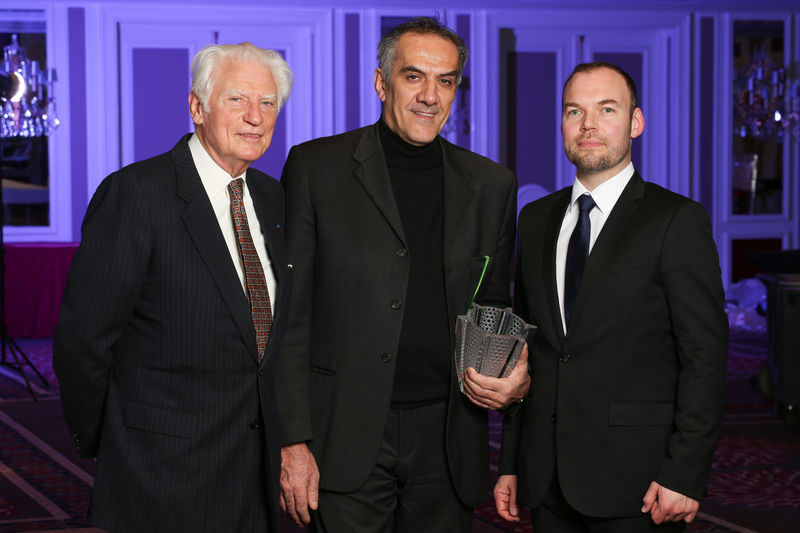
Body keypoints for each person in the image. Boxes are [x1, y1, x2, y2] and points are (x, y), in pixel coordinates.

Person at [277, 16, 530, 532]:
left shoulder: (491, 185)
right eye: (414, 76)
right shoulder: (316, 168)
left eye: (446, 81)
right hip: (343, 431)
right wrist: (292, 439)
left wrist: (516, 374)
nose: (430, 96)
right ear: (381, 82)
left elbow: (493, 307)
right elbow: (289, 318)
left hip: (449, 435)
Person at [53, 42, 293, 533]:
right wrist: (111, 439)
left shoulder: (274, 198)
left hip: (257, 474)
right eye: (237, 99)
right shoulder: (136, 193)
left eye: (267, 103)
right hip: (160, 474)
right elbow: (83, 342)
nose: (255, 117)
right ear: (197, 107)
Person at [494, 62, 728, 532]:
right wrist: (512, 461)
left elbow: (704, 355)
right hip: (546, 478)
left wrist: (685, 471)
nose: (588, 125)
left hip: (638, 482)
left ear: (635, 122)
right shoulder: (535, 219)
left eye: (607, 109)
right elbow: (529, 351)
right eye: (574, 111)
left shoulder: (675, 220)